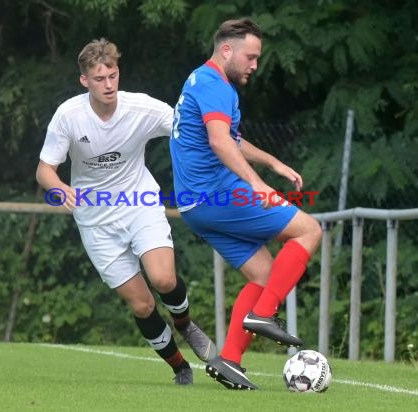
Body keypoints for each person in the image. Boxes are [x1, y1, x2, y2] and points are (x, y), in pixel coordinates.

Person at [36, 38, 216, 385]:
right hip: (95, 221)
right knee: (142, 305)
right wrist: (60, 188)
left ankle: (185, 324)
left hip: (139, 204)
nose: (109, 85)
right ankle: (180, 368)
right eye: (100, 78)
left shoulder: (142, 108)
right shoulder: (69, 116)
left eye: (113, 76)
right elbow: (44, 169)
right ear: (84, 81)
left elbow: (188, 131)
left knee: (163, 278)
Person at [169, 18, 322, 390]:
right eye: (250, 57)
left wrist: (271, 162)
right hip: (217, 195)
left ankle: (230, 361)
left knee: (263, 273)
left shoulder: (202, 80)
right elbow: (220, 142)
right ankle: (265, 313)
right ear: (227, 50)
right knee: (309, 230)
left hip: (197, 206)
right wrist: (257, 185)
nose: (255, 65)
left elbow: (231, 139)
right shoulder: (215, 86)